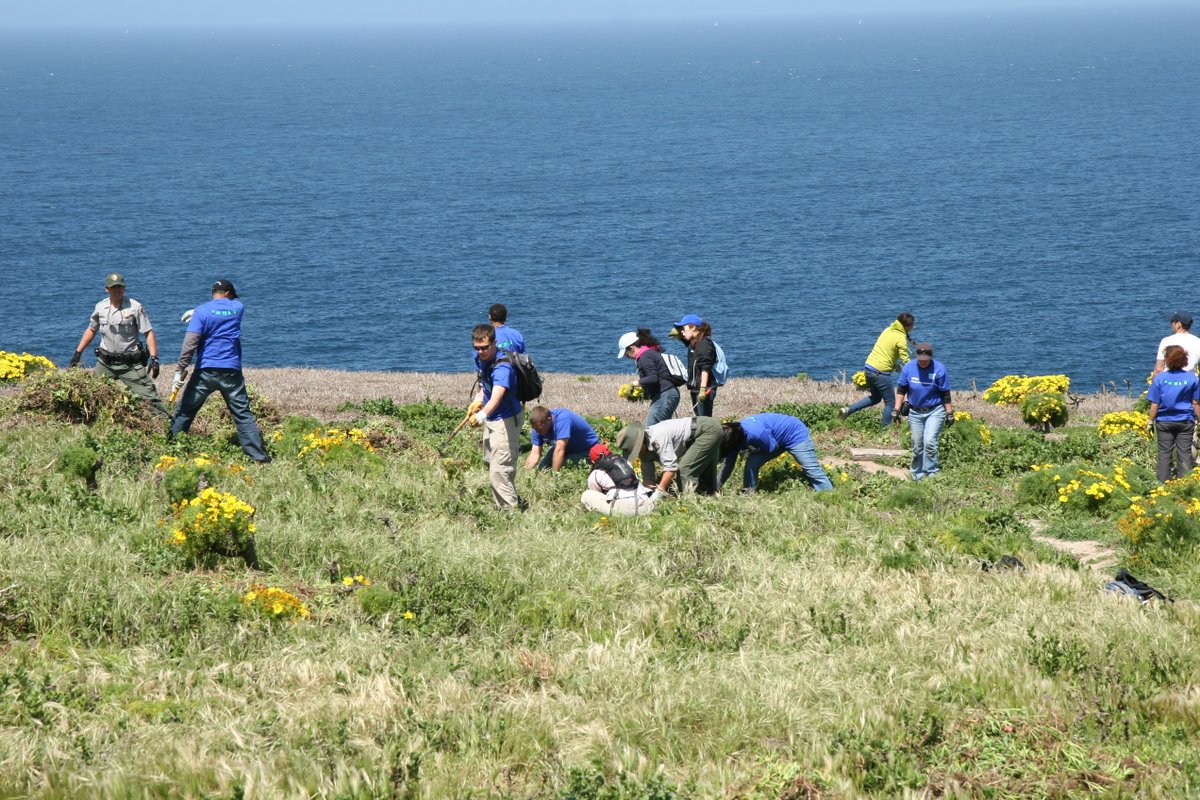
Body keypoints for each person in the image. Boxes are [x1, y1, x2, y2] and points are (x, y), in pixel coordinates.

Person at [168, 280, 271, 463]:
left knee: (185, 411)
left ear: (214, 292)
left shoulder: (202, 311)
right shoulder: (238, 308)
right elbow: (225, 311)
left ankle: (171, 451)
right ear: (229, 293)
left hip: (205, 371)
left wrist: (180, 369)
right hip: (231, 371)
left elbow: (190, 344)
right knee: (242, 414)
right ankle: (259, 458)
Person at [69, 272, 169, 418]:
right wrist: (78, 353)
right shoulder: (100, 307)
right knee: (91, 392)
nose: (117, 290)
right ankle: (88, 421)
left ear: (124, 288)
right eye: (113, 287)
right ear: (106, 289)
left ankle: (166, 424)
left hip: (129, 364)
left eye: (120, 287)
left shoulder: (135, 307)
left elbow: (148, 332)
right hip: (106, 363)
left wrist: (154, 359)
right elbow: (91, 330)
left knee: (149, 396)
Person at [468, 323, 526, 510]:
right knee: (490, 461)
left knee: (499, 472)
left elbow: (497, 395)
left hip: (506, 421)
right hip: (493, 419)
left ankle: (510, 514)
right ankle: (509, 500)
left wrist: (482, 415)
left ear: (495, 343)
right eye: (477, 348)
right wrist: (476, 402)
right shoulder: (480, 359)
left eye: (485, 347)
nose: (481, 352)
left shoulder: (503, 368)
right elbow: (484, 386)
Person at [718, 413, 833, 492]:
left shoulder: (754, 434)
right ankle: (748, 493)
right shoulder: (732, 437)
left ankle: (829, 496)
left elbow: (772, 447)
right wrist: (715, 487)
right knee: (751, 463)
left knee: (811, 470)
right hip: (773, 439)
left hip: (794, 433)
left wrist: (750, 450)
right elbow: (728, 465)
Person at [841, 312, 915, 428]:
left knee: (876, 398)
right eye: (911, 326)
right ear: (907, 326)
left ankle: (848, 410)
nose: (912, 328)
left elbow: (886, 351)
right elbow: (905, 359)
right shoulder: (900, 338)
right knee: (890, 403)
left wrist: (895, 366)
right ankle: (885, 429)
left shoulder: (888, 330)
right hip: (880, 373)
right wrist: (914, 372)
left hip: (869, 368)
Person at [617, 416, 724, 496]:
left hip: (707, 430)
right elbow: (648, 479)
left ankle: (688, 507)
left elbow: (671, 468)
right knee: (707, 480)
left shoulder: (658, 437)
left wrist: (658, 493)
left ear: (640, 442)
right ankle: (710, 498)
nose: (637, 454)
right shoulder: (644, 451)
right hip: (702, 433)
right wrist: (646, 496)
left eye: (635, 450)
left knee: (685, 471)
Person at [893, 341, 953, 481]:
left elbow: (945, 393)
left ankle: (932, 474)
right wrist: (896, 409)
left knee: (930, 441)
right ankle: (916, 474)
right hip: (915, 411)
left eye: (926, 360)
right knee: (917, 444)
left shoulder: (939, 369)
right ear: (916, 357)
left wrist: (949, 413)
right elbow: (901, 390)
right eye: (920, 360)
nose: (923, 363)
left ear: (931, 357)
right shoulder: (908, 368)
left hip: (935, 410)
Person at [1147, 344, 1200, 482]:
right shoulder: (1192, 378)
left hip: (1164, 421)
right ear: (1184, 359)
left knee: (1164, 454)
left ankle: (1163, 484)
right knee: (1184, 454)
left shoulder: (1159, 378)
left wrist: (1150, 421)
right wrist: (1199, 421)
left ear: (1167, 360)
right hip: (1185, 420)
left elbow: (1155, 404)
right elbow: (1195, 403)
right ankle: (1184, 485)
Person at [618, 328, 681, 427]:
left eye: (626, 354)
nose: (628, 357)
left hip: (665, 395)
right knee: (662, 429)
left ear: (632, 348)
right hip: (668, 394)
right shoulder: (650, 353)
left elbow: (653, 378)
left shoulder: (645, 357)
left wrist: (634, 384)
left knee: (652, 429)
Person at [580, 443, 660, 516]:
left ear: (593, 460)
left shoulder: (595, 474)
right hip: (647, 505)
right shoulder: (626, 463)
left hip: (625, 510)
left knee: (587, 495)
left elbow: (597, 494)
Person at [525, 405, 600, 471]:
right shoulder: (537, 427)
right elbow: (535, 453)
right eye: (534, 428)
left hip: (587, 450)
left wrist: (554, 476)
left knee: (562, 464)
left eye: (540, 428)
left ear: (549, 419)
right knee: (542, 467)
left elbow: (560, 450)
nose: (537, 431)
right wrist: (527, 471)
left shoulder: (563, 420)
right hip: (567, 448)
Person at [673, 313, 719, 417]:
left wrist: (703, 389)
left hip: (704, 389)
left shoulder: (705, 344)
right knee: (699, 419)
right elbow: (684, 337)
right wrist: (678, 332)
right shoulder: (694, 343)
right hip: (695, 388)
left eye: (684, 329)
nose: (681, 332)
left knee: (704, 421)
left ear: (693, 327)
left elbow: (705, 368)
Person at [1152, 311, 1200, 377]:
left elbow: (1159, 369)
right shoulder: (1198, 341)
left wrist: (1154, 385)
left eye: (1172, 322)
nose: (1171, 324)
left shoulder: (1166, 341)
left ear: (1178, 324)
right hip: (1191, 383)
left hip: (1169, 382)